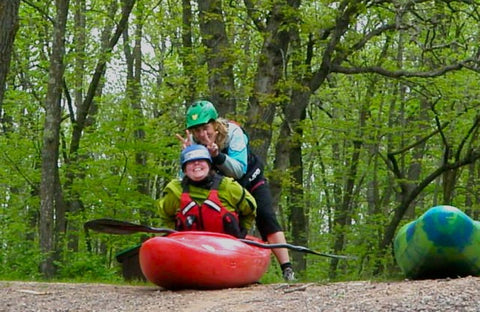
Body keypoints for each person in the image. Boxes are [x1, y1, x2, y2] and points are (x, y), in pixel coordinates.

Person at [176, 100, 295, 281]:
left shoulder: (234, 133)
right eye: (196, 130)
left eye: (205, 128)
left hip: (250, 179)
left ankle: (287, 269)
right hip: (225, 188)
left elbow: (238, 170)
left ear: (214, 124)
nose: (201, 134)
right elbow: (185, 178)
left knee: (266, 216)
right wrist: (187, 158)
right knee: (220, 221)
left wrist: (217, 155)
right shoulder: (193, 142)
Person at [157, 144, 256, 238]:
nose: (196, 163)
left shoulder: (228, 187)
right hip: (189, 246)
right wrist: (174, 233)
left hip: (226, 247)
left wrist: (242, 231)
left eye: (201, 160)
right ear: (184, 171)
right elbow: (165, 216)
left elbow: (250, 209)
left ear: (209, 166)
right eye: (190, 162)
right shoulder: (175, 191)